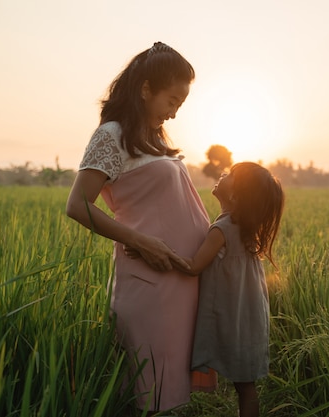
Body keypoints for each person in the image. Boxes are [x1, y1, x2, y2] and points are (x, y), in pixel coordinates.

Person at [66, 41, 214, 413]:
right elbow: (78, 205)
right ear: (146, 88)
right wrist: (141, 241)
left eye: (180, 105)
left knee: (169, 394)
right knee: (147, 393)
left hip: (179, 283)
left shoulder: (152, 137)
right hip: (149, 280)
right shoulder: (111, 134)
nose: (174, 114)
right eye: (171, 102)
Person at [178, 162, 284, 417]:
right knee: (246, 386)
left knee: (244, 387)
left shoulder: (221, 229)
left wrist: (154, 251)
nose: (222, 175)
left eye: (229, 175)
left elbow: (193, 266)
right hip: (250, 318)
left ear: (235, 195)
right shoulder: (246, 230)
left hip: (232, 319)